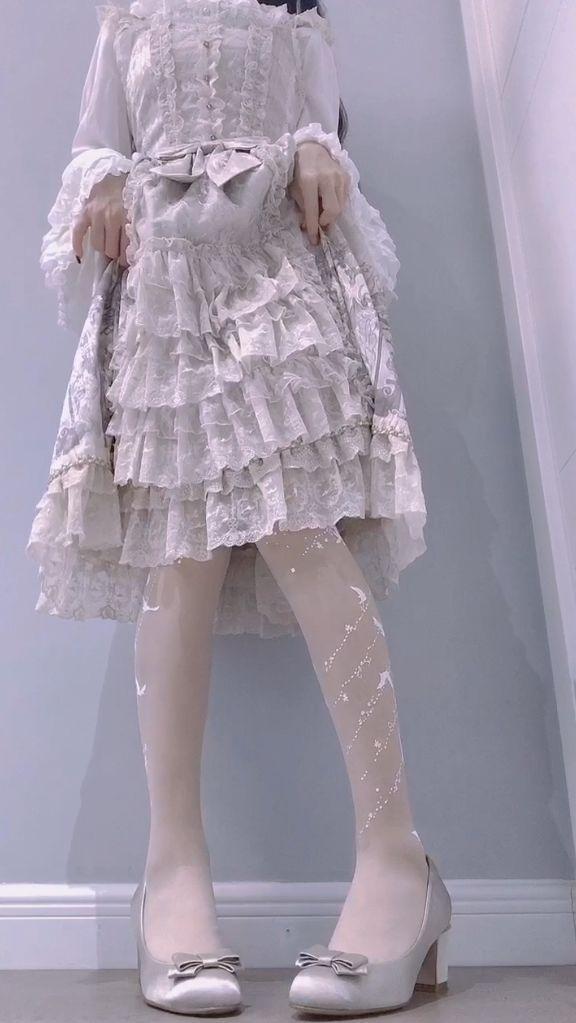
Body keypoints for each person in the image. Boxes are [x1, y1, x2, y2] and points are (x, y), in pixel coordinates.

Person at [27, 0, 451, 1015]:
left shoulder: (294, 13)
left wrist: (317, 151)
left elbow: (320, 123)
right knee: (178, 552)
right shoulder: (127, 14)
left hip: (271, 285)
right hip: (165, 292)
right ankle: (171, 870)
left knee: (305, 532)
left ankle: (396, 860)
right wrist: (102, 183)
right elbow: (97, 138)